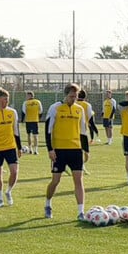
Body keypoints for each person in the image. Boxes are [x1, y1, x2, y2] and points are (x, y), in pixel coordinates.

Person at [44, 83, 90, 220]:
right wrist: (50, 149)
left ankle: (81, 212)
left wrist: (86, 150)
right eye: (71, 96)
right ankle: (48, 203)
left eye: (75, 96)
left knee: (78, 181)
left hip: (75, 150)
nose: (73, 99)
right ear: (65, 95)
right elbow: (48, 130)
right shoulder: (55, 108)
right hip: (59, 150)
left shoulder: (79, 109)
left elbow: (83, 131)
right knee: (55, 181)